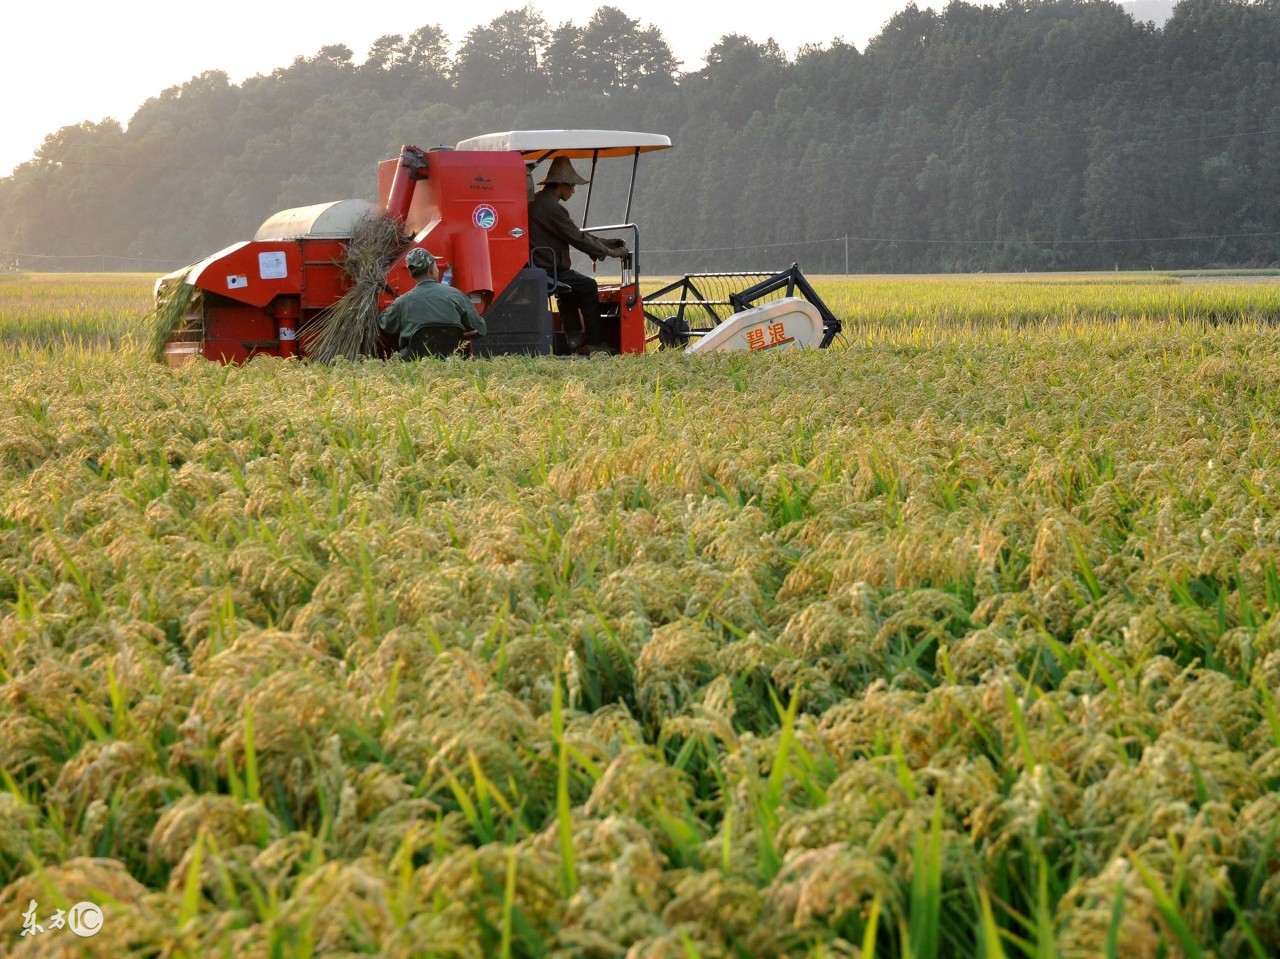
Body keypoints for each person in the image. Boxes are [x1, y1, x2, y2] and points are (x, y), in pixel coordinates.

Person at [528, 157, 628, 352]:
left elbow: (573, 232)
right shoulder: (552, 207)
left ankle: (573, 336)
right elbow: (576, 237)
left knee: (568, 289)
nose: (573, 191)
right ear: (562, 185)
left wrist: (603, 242)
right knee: (588, 286)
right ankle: (595, 342)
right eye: (572, 186)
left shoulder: (541, 201)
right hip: (547, 266)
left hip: (541, 264)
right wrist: (610, 252)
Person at [378, 247, 486, 359]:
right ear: (431, 270)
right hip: (453, 362)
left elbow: (386, 325)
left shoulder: (401, 302)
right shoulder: (456, 295)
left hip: (414, 363)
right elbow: (480, 329)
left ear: (410, 273)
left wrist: (387, 311)